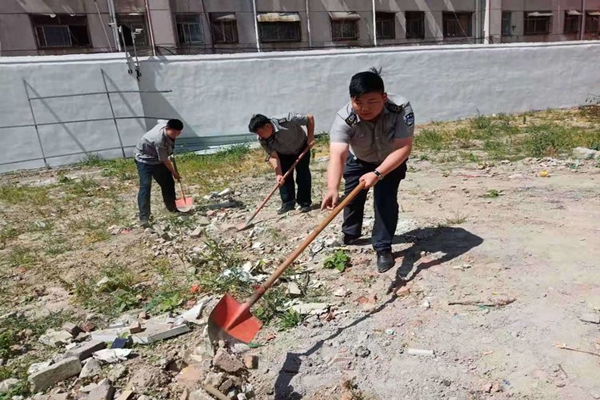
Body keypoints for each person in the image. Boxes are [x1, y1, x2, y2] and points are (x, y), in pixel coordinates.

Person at [321, 68, 415, 273]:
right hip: (359, 158)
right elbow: (337, 154)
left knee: (385, 200)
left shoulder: (400, 108)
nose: (365, 108)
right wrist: (332, 187)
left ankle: (383, 247)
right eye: (358, 102)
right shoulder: (344, 118)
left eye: (372, 101)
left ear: (384, 97)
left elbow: (403, 147)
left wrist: (377, 173)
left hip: (390, 160)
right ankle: (351, 233)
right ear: (351, 100)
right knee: (352, 198)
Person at [248, 113, 315, 214]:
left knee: (303, 175)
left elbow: (309, 118)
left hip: (301, 147)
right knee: (284, 178)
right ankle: (288, 203)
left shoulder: (288, 120)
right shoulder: (262, 139)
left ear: (267, 126)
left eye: (260, 132)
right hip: (282, 154)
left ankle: (304, 203)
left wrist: (310, 137)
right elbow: (273, 156)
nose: (259, 135)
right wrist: (278, 174)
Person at [134, 119, 184, 227]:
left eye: (178, 132)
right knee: (145, 185)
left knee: (168, 183)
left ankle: (172, 208)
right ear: (167, 129)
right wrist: (174, 172)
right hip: (144, 160)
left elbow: (159, 120)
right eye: (174, 132)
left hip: (157, 159)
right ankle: (144, 217)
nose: (176, 135)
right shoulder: (158, 141)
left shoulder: (166, 124)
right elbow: (164, 160)